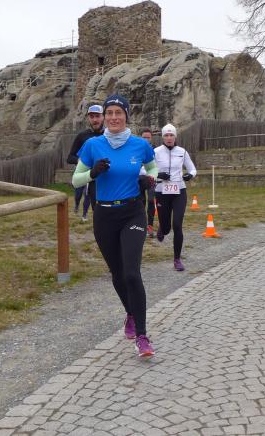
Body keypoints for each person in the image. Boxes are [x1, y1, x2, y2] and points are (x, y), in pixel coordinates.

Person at [73, 95, 159, 357]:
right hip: (104, 215)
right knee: (118, 274)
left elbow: (153, 168)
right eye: (109, 113)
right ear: (104, 117)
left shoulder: (140, 145)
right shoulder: (92, 145)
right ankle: (130, 313)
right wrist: (93, 173)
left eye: (118, 113)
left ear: (126, 116)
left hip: (132, 212)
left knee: (132, 273)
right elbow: (76, 180)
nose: (113, 117)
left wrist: (149, 180)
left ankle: (142, 336)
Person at [154, 123, 197, 271]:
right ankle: (162, 228)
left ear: (175, 136)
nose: (169, 138)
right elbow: (144, 169)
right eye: (166, 135)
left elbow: (192, 169)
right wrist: (158, 174)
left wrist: (189, 175)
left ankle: (177, 259)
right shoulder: (156, 152)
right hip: (161, 191)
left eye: (171, 135)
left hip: (179, 191)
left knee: (177, 224)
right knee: (167, 229)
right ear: (163, 137)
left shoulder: (182, 152)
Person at [67, 105, 105, 221]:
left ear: (103, 117)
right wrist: (82, 161)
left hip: (108, 178)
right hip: (90, 177)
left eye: (97, 116)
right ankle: (79, 208)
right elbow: (70, 157)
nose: (95, 120)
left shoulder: (109, 135)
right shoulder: (82, 136)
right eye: (91, 117)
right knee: (96, 211)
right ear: (88, 119)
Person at [139, 128, 157, 238]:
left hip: (151, 178)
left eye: (148, 137)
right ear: (140, 138)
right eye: (144, 137)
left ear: (151, 138)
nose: (146, 139)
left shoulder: (155, 150)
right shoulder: (136, 149)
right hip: (139, 178)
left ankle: (150, 226)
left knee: (151, 200)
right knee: (141, 202)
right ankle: (142, 225)